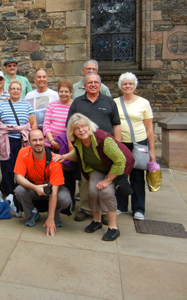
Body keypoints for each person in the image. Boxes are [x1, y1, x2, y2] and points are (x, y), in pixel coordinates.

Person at [53, 113, 134, 241]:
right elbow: (77, 152)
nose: (81, 130)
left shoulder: (103, 139)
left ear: (89, 126)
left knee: (106, 193)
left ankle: (113, 228)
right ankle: (97, 221)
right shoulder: (79, 141)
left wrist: (108, 180)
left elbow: (120, 161)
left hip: (113, 169)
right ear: (72, 131)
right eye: (77, 128)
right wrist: (65, 157)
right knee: (92, 191)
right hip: (97, 169)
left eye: (84, 126)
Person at [66, 73, 121, 222]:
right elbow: (70, 126)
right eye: (89, 82)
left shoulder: (109, 102)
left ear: (100, 85)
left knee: (105, 181)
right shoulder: (77, 102)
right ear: (84, 85)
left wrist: (118, 145)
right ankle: (85, 208)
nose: (93, 85)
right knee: (85, 180)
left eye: (96, 82)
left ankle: (104, 212)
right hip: (84, 149)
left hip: (105, 148)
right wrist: (72, 147)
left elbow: (116, 124)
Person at [13, 130, 72, 235]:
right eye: (34, 140)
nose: (38, 143)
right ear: (29, 142)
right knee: (19, 190)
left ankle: (54, 216)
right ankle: (32, 213)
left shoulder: (54, 159)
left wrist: (50, 218)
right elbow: (19, 178)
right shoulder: (23, 152)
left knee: (65, 197)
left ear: (45, 141)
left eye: (40, 139)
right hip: (34, 188)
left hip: (51, 189)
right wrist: (36, 188)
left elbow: (54, 191)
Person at [114, 72, 155, 220]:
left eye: (130, 84)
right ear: (120, 86)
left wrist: (152, 150)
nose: (127, 86)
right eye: (125, 84)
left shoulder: (143, 103)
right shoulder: (115, 102)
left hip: (139, 143)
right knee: (122, 174)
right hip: (122, 143)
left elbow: (149, 128)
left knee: (137, 176)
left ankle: (139, 208)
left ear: (134, 85)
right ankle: (121, 205)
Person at [0, 80, 37, 196]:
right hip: (7, 140)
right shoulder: (2, 105)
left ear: (21, 91)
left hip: (23, 140)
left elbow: (33, 123)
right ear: (9, 91)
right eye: (13, 89)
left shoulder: (27, 104)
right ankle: (9, 192)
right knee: (7, 167)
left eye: (18, 89)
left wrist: (33, 138)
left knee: (24, 167)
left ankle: (22, 192)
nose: (15, 91)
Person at [43, 79, 77, 206]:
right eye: (61, 91)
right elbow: (46, 125)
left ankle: (69, 202)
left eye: (66, 91)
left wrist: (64, 143)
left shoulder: (74, 106)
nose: (63, 94)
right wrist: (52, 141)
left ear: (71, 92)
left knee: (68, 175)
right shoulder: (52, 105)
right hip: (50, 145)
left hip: (67, 146)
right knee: (50, 172)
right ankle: (49, 200)